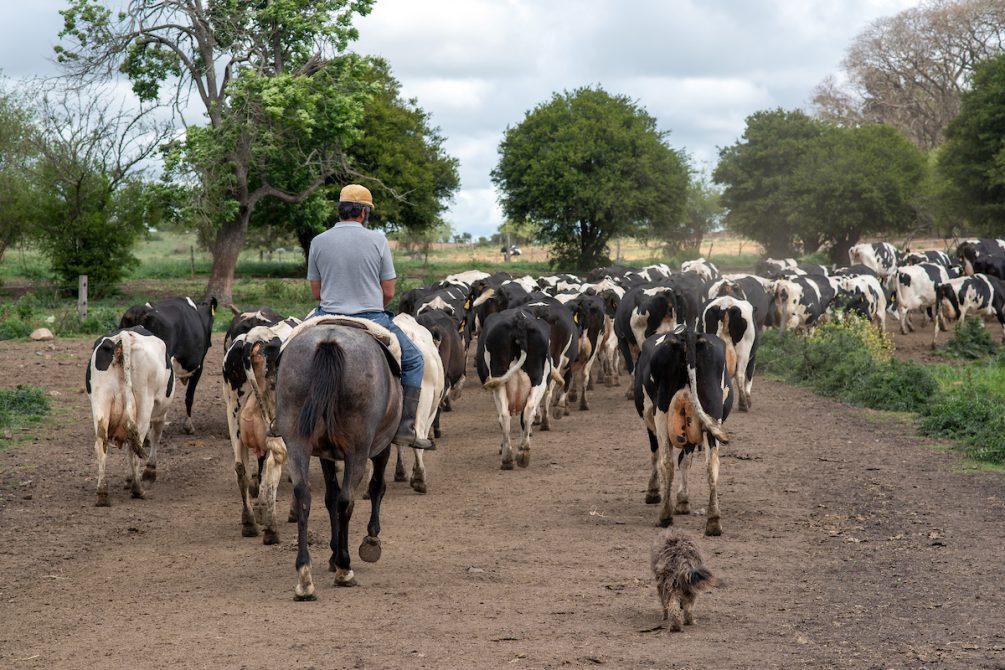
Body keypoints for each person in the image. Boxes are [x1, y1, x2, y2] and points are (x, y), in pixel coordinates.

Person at [306, 184, 433, 449]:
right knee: (413, 360)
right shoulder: (378, 241)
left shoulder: (318, 241)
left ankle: (279, 417)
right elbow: (389, 291)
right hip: (372, 318)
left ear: (340, 210)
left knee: (284, 351)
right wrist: (372, 304)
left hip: (326, 315)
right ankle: (405, 427)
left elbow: (316, 293)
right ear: (363, 212)